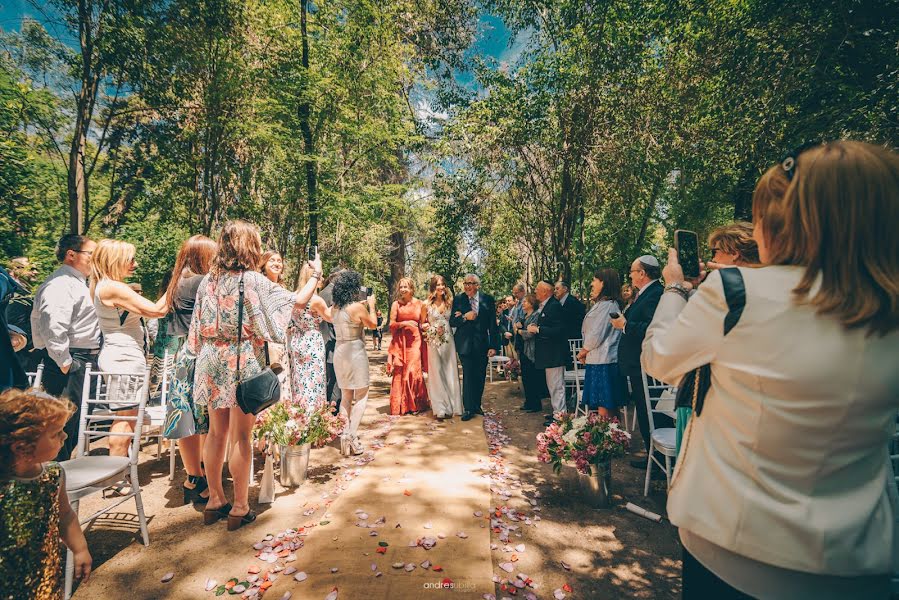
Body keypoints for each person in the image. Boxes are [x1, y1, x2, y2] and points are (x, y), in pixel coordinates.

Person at [644, 140, 899, 599]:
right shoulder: (887, 306)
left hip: (734, 548)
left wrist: (675, 291)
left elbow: (660, 359)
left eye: (766, 214)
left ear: (797, 220)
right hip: (856, 560)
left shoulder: (736, 290)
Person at [188, 220, 321, 530]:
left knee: (216, 433)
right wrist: (315, 274)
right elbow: (296, 301)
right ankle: (239, 506)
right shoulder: (252, 281)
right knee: (241, 436)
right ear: (250, 247)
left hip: (209, 359)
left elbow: (194, 329)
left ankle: (214, 501)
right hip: (240, 359)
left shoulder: (208, 281)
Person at [674, 221, 763, 455]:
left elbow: (670, 349)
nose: (712, 257)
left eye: (715, 251)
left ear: (734, 253)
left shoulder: (725, 288)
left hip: (709, 397)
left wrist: (676, 287)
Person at [0, 388, 92, 596]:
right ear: (22, 446)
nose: (65, 436)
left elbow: (65, 516)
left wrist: (80, 549)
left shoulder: (53, 475)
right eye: (56, 433)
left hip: (43, 577)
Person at [91, 239, 168, 457]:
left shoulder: (105, 286)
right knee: (124, 419)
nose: (134, 264)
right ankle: (116, 477)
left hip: (123, 356)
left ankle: (121, 470)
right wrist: (177, 281)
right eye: (130, 259)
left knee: (129, 417)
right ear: (115, 260)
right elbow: (156, 310)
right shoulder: (112, 287)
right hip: (123, 359)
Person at [31, 234, 101, 461]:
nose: (98, 259)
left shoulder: (78, 283)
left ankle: (60, 480)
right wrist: (65, 362)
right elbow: (52, 323)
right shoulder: (61, 283)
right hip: (70, 361)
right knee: (60, 427)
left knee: (72, 427)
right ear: (71, 255)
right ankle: (52, 482)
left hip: (80, 360)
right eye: (93, 254)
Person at [163, 234, 217, 504]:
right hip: (201, 354)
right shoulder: (201, 282)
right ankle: (207, 476)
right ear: (203, 257)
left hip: (181, 355)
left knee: (184, 418)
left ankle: (192, 477)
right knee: (206, 421)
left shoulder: (177, 281)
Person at [610, 254, 668, 462]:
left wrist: (624, 325)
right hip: (638, 364)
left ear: (642, 273)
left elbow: (652, 329)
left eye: (633, 271)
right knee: (644, 411)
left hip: (646, 365)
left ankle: (659, 459)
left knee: (649, 411)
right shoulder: (646, 293)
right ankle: (653, 454)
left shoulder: (655, 294)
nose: (630, 275)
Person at [330, 270, 377, 455]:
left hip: (340, 352)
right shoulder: (357, 307)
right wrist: (371, 306)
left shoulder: (334, 307)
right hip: (355, 351)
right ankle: (351, 436)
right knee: (362, 395)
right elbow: (373, 324)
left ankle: (345, 436)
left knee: (345, 396)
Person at [450, 274, 499, 421]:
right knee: (468, 375)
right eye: (465, 283)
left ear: (478, 285)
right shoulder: (459, 299)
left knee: (480, 375)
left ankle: (477, 405)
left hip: (482, 344)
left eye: (471, 283)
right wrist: (465, 316)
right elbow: (453, 321)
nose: (467, 286)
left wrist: (493, 346)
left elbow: (492, 324)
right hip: (464, 344)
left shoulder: (488, 300)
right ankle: (469, 408)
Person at [577, 269, 624, 419]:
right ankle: (611, 437)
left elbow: (597, 333)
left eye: (594, 280)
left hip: (604, 360)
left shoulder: (608, 305)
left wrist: (584, 351)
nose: (592, 283)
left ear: (604, 283)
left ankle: (607, 438)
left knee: (604, 405)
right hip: (598, 358)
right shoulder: (604, 304)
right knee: (603, 404)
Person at [287, 263, 331, 410]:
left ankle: (300, 414)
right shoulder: (316, 300)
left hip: (297, 340)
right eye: (320, 275)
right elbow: (330, 317)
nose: (322, 278)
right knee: (314, 381)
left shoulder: (294, 296)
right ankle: (313, 417)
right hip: (312, 342)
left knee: (299, 381)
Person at [421, 275, 462, 420]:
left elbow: (455, 320)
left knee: (450, 370)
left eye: (443, 284)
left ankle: (453, 405)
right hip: (433, 341)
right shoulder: (426, 304)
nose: (441, 287)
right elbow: (422, 324)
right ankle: (440, 408)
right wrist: (427, 327)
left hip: (448, 340)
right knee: (436, 372)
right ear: (433, 287)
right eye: (438, 284)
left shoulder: (450, 303)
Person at [387, 277, 429, 416]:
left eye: (406, 287)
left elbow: (424, 322)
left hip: (415, 341)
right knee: (401, 371)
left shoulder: (420, 304)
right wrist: (403, 324)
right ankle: (401, 406)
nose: (403, 289)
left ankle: (415, 404)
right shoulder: (396, 304)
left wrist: (426, 327)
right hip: (400, 342)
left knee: (413, 370)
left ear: (412, 289)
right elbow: (391, 324)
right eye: (401, 287)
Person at [529, 281, 568, 426]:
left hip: (554, 354)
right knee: (552, 385)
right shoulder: (547, 305)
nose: (535, 291)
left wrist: (538, 330)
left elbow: (559, 330)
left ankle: (560, 417)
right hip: (548, 354)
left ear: (545, 291)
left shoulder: (554, 306)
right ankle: (557, 412)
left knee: (557, 386)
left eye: (537, 289)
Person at [514, 293, 546, 413]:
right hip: (523, 350)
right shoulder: (525, 316)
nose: (523, 304)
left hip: (531, 351)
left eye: (525, 302)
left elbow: (530, 334)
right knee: (526, 377)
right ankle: (528, 402)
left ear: (532, 303)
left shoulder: (535, 316)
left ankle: (535, 404)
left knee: (532, 377)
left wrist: (520, 331)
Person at [5, 257, 38, 371]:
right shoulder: (10, 293)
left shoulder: (26, 293)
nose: (35, 272)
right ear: (13, 271)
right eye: (31, 268)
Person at [554, 279, 586, 344]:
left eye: (557, 289)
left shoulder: (572, 302)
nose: (555, 291)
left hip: (574, 339)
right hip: (565, 339)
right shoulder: (559, 302)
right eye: (554, 289)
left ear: (565, 289)